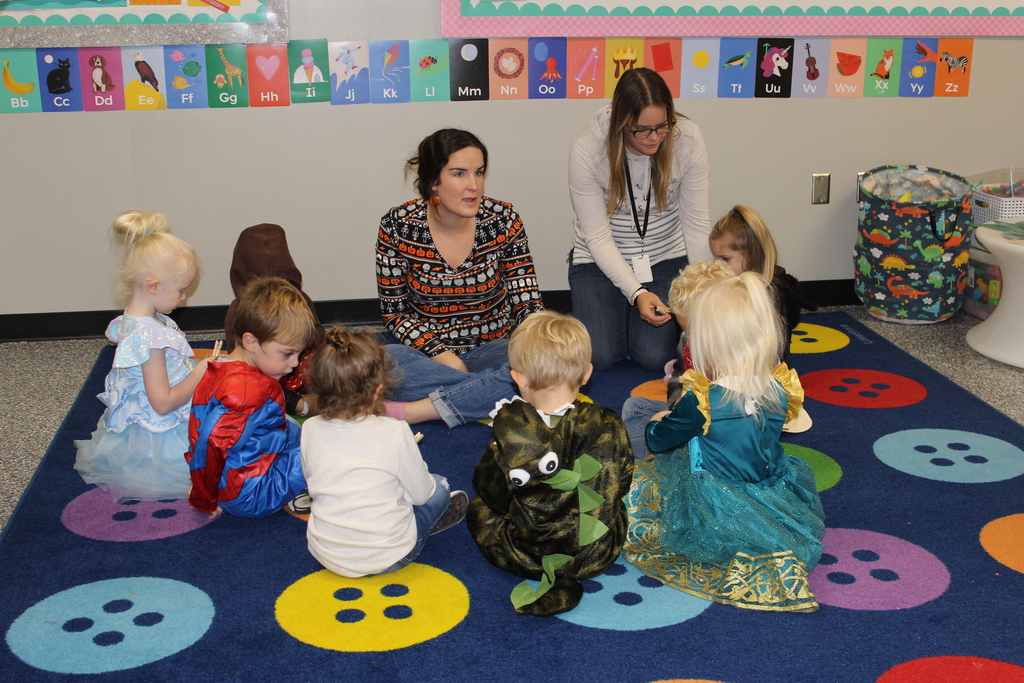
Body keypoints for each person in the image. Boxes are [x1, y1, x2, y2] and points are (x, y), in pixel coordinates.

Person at [621, 273, 826, 612]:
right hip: (770, 486)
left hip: (716, 498)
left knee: (643, 480)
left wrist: (659, 423)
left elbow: (659, 442)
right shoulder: (780, 386)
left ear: (709, 343)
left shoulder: (703, 400)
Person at [467, 311, 634, 616]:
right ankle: (570, 571)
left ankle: (549, 573)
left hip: (525, 555)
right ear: (587, 374)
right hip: (596, 554)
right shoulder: (606, 423)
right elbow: (621, 481)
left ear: (518, 378)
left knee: (477, 508)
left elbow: (492, 493)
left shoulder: (512, 428)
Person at [376, 128, 545, 427]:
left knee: (542, 360)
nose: (474, 185)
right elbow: (396, 314)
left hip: (493, 347)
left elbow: (527, 300)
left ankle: (418, 410)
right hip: (428, 357)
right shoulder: (397, 225)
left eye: (479, 173)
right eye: (459, 174)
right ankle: (491, 390)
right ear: (433, 182)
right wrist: (443, 355)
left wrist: (546, 345)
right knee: (385, 361)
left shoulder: (503, 220)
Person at [568, 67, 712, 372]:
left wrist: (705, 289)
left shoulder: (688, 139)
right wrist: (637, 293)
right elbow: (597, 238)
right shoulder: (588, 148)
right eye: (642, 130)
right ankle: (623, 303)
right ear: (622, 123)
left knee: (656, 357)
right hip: (598, 258)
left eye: (662, 126)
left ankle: (630, 312)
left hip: (663, 253)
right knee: (601, 356)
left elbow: (697, 223)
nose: (655, 137)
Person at [300, 324, 468, 577]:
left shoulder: (310, 428)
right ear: (378, 390)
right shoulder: (395, 430)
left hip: (326, 554)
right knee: (439, 486)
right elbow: (422, 495)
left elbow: (313, 478)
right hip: (390, 558)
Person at [75, 210, 208, 503]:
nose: (184, 297)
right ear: (153, 286)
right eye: (182, 289)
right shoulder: (149, 337)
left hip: (150, 410)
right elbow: (162, 403)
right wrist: (199, 372)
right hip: (161, 431)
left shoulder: (135, 319)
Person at [186, 276, 317, 519]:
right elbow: (210, 444)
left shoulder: (220, 366)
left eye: (299, 353)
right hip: (252, 495)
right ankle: (301, 490)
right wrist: (204, 498)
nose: (295, 363)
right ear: (251, 342)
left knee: (290, 424)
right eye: (287, 353)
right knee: (324, 445)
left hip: (235, 474)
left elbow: (200, 429)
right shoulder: (247, 393)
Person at [620, 259, 734, 458]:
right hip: (687, 417)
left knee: (652, 434)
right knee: (634, 406)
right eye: (684, 328)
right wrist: (676, 403)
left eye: (693, 329)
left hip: (719, 431)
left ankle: (656, 456)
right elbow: (678, 376)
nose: (687, 334)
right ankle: (654, 453)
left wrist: (687, 418)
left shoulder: (737, 352)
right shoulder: (687, 339)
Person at [223, 223, 326, 418]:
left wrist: (301, 343)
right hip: (261, 375)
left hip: (298, 370)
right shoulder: (238, 310)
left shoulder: (299, 298)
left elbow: (319, 337)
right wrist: (299, 404)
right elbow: (235, 355)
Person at [708, 205, 817, 364]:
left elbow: (777, 351)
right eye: (715, 258)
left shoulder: (774, 294)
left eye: (725, 259)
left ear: (750, 255)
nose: (718, 265)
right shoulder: (727, 283)